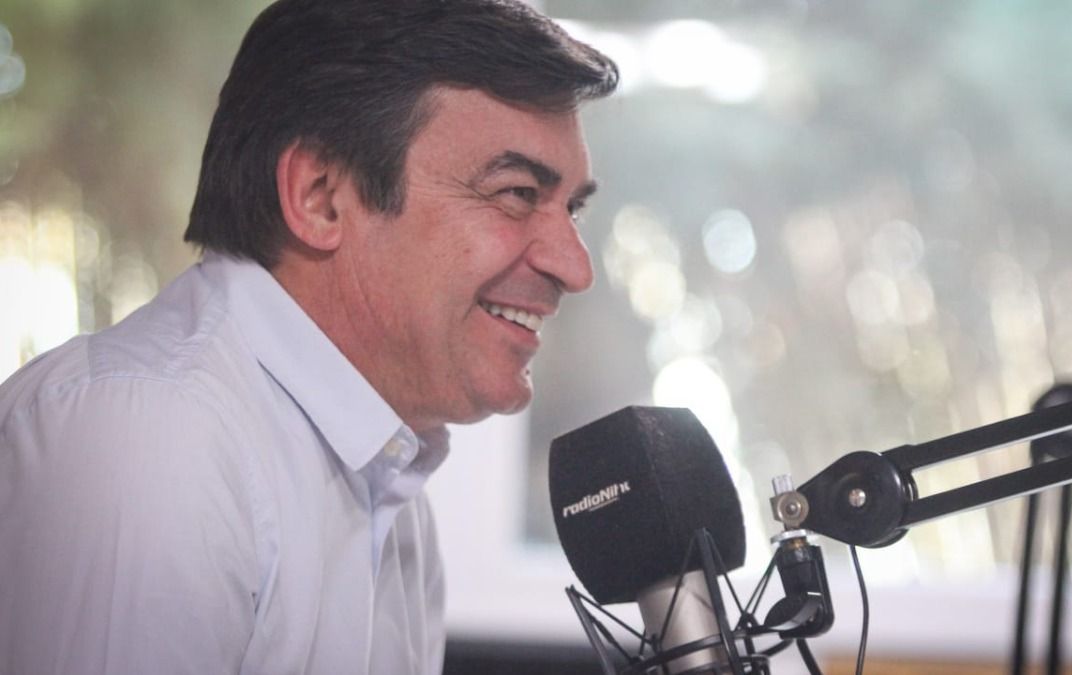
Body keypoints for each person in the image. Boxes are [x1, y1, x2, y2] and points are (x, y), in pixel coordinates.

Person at [0, 0, 617, 672]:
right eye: (518, 193)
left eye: (573, 209)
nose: (575, 267)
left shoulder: (389, 489)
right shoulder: (151, 441)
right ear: (320, 196)